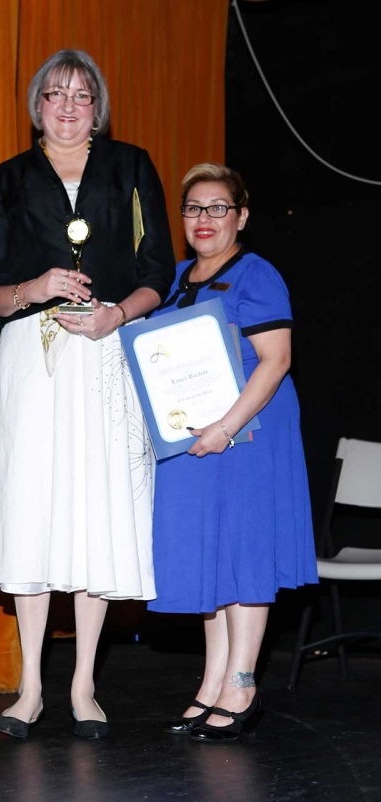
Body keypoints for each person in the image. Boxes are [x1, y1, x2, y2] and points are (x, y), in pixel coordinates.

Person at [0, 49, 175, 739]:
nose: (67, 106)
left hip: (108, 351)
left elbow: (160, 271)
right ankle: (29, 688)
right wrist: (34, 290)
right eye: (54, 94)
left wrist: (117, 314)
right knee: (31, 506)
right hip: (33, 358)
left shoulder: (132, 167)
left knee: (97, 507)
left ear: (99, 107)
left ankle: (85, 684)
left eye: (82, 95)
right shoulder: (6, 179)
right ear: (36, 108)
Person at [149, 163, 318, 742]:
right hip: (195, 442)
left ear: (241, 217)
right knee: (213, 557)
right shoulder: (173, 279)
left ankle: (242, 682)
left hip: (249, 434)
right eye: (194, 208)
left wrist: (225, 424)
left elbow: (276, 361)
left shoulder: (257, 274)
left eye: (218, 207)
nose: (204, 219)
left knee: (244, 551)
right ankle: (213, 679)